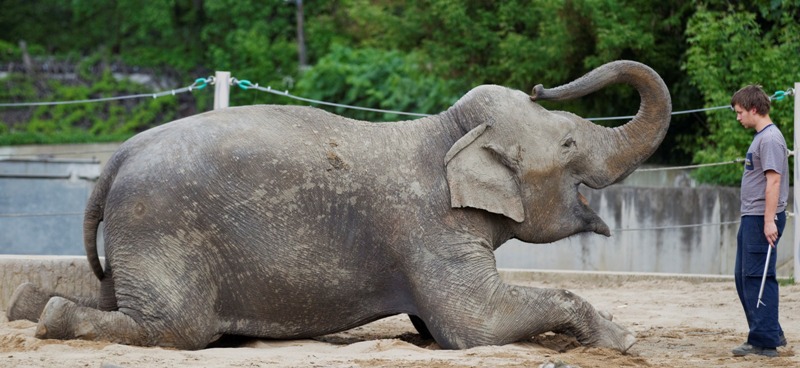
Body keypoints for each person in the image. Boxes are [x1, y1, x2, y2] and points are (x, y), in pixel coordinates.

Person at [730, 84, 788, 358]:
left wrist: (768, 221)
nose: (738, 117)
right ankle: (769, 330)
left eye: (740, 112)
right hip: (752, 217)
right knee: (743, 278)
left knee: (757, 278)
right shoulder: (761, 138)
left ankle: (764, 342)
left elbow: (773, 180)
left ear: (754, 109)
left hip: (761, 219)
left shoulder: (770, 139)